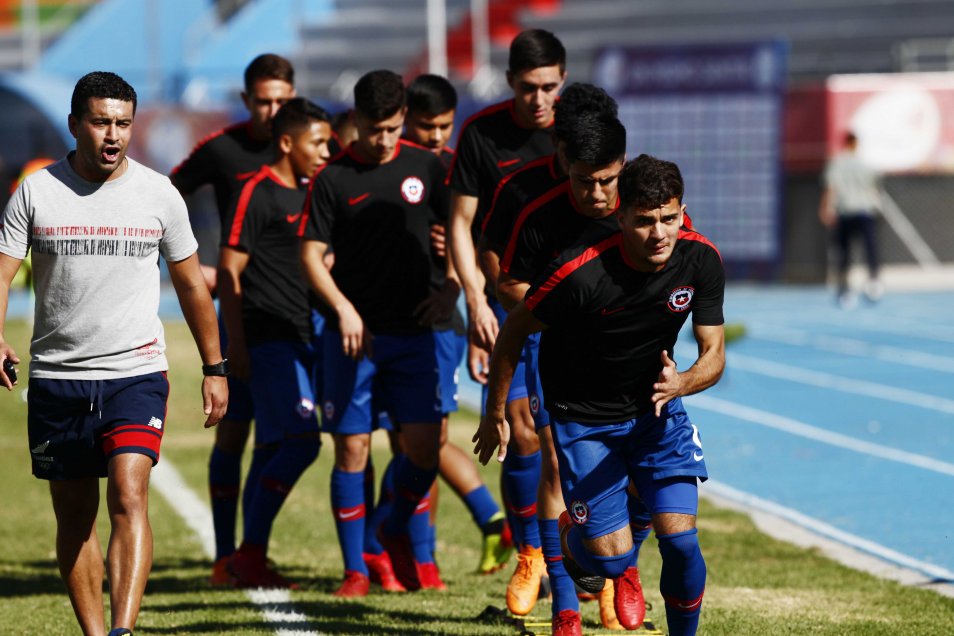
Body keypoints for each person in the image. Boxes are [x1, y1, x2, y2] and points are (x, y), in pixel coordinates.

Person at [0, 71, 228, 636]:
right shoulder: (36, 191)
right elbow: (2, 274)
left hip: (135, 374)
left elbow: (192, 285)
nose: (113, 135)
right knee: (75, 517)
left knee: (129, 494)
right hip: (57, 378)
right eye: (101, 122)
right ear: (74, 124)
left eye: (123, 124)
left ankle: (122, 631)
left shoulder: (158, 193)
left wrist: (214, 367)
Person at [475, 154, 725, 636]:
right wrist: (494, 413)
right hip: (584, 421)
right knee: (608, 562)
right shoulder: (579, 274)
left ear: (683, 211)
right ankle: (575, 538)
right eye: (645, 221)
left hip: (657, 415)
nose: (659, 233)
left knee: (681, 543)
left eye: (669, 218)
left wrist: (682, 382)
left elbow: (713, 354)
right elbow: (514, 331)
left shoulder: (701, 259)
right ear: (620, 216)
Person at [493, 105, 650, 634]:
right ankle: (564, 607)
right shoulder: (537, 211)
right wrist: (564, 308)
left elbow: (675, 264)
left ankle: (616, 573)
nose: (598, 194)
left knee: (636, 472)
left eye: (608, 180)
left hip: (632, 357)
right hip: (557, 354)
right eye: (585, 181)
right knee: (558, 468)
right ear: (564, 165)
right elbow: (509, 285)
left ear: (623, 165)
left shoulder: (645, 208)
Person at [298, 69, 452, 596]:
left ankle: (389, 526)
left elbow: (462, 233)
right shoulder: (333, 178)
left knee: (425, 451)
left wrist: (452, 289)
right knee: (352, 452)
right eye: (373, 130)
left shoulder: (426, 166)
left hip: (415, 334)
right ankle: (355, 571)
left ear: (403, 119)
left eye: (392, 129)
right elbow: (310, 255)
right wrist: (342, 309)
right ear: (357, 121)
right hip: (353, 341)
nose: (383, 140)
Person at [447, 28, 567, 614]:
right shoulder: (482, 134)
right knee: (519, 430)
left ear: (562, 80)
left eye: (549, 87)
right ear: (510, 82)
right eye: (528, 88)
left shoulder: (578, 130)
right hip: (503, 299)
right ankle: (530, 554)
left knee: (558, 441)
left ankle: (579, 556)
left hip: (566, 304)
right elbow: (461, 224)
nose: (539, 99)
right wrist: (474, 300)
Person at [170, 53, 296, 584]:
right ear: (246, 100)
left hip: (294, 322)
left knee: (281, 439)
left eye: (282, 100)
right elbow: (163, 196)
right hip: (240, 313)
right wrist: (195, 267)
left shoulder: (311, 147)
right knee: (234, 434)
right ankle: (227, 556)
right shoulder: (223, 149)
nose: (273, 110)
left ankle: (251, 552)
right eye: (263, 101)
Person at [397, 72, 513, 576]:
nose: (437, 136)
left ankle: (422, 556)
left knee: (426, 442)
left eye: (445, 125)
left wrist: (459, 294)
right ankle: (400, 549)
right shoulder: (382, 167)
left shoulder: (454, 170)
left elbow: (477, 246)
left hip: (437, 327)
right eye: (427, 125)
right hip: (380, 324)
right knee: (403, 445)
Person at [217, 98, 332, 588]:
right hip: (268, 339)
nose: (325, 152)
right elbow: (229, 271)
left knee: (271, 447)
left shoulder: (314, 193)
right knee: (304, 441)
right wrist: (236, 345)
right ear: (287, 143)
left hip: (305, 337)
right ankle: (246, 554)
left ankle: (250, 558)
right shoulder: (256, 191)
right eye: (317, 143)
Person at [818, 131, 884, 308]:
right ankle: (874, 282)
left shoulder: (837, 163)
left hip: (845, 212)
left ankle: (845, 289)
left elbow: (831, 187)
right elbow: (876, 187)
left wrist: (825, 209)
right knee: (870, 248)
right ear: (857, 144)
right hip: (865, 211)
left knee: (844, 252)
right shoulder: (865, 164)